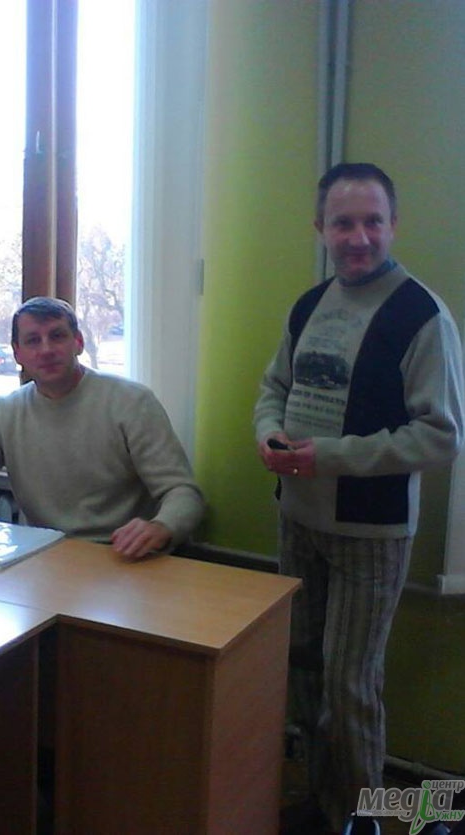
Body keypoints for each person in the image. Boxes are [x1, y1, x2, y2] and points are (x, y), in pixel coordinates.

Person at [254, 162, 465, 834]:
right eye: (343, 223)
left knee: (350, 685)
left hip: (370, 533)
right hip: (299, 519)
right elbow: (274, 387)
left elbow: (441, 436)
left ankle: (367, 818)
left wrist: (329, 457)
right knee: (303, 668)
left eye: (373, 221)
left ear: (393, 225)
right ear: (320, 228)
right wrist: (267, 432)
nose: (359, 237)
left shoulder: (421, 314)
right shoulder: (309, 305)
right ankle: (326, 806)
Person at [0, 296, 205, 558]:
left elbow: (183, 493)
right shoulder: (6, 412)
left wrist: (161, 527)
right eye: (33, 340)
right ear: (17, 353)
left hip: (124, 558)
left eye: (57, 336)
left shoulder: (131, 402)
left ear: (78, 342)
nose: (46, 349)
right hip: (44, 558)